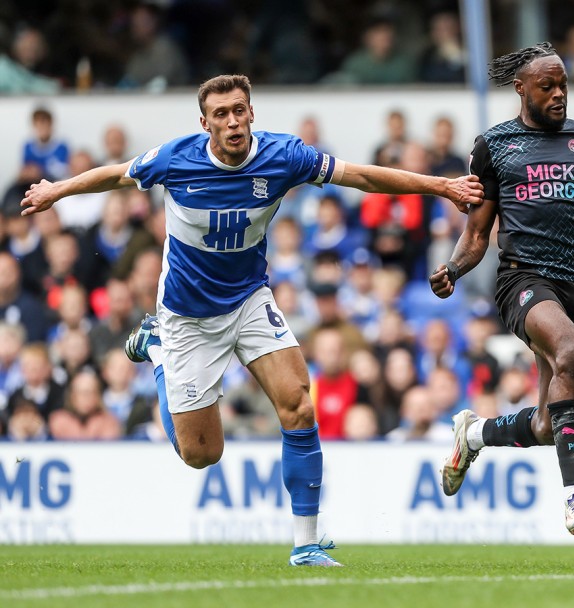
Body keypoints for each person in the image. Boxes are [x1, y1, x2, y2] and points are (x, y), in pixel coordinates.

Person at [20, 74, 483, 567]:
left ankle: (307, 543)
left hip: (248, 299)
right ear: (205, 124)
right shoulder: (176, 158)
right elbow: (115, 174)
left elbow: (363, 177)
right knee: (201, 454)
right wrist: (58, 190)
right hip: (187, 317)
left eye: (239, 109)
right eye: (220, 114)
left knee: (299, 406)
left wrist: (440, 185)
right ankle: (156, 350)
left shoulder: (284, 156)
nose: (233, 121)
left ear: (252, 113)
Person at [427, 43, 574, 535]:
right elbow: (476, 234)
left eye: (564, 86)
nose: (558, 95)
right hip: (522, 280)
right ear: (522, 89)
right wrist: (454, 269)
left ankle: (475, 434)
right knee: (569, 352)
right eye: (547, 87)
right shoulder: (495, 145)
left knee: (548, 425)